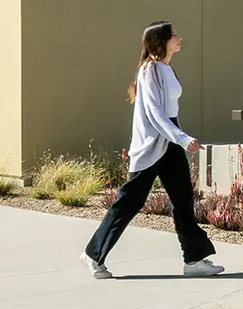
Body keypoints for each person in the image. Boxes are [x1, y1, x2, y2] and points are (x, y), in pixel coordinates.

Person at [86, 21, 224, 277]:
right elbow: (155, 114)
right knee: (130, 201)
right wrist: (182, 138)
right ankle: (94, 254)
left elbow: (168, 113)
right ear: (161, 42)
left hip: (170, 139)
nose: (179, 38)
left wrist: (177, 137)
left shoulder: (166, 68)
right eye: (173, 36)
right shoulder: (149, 70)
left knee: (183, 199)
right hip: (152, 143)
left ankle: (193, 261)